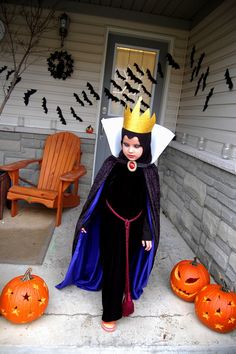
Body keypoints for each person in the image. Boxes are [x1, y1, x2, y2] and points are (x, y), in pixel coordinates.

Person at [56, 97, 174, 332]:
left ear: (146, 146)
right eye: (126, 144)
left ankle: (124, 298)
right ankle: (110, 312)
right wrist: (87, 220)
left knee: (127, 266)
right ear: (121, 143)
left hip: (136, 226)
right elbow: (98, 196)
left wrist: (147, 232)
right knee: (113, 266)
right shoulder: (112, 165)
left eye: (137, 146)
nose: (131, 150)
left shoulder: (149, 172)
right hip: (110, 225)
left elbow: (150, 205)